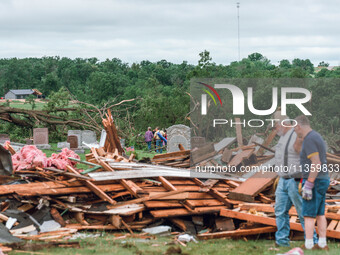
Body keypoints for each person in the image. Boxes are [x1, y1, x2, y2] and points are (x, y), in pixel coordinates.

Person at [273, 116, 317, 247]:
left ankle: (312, 242)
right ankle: (281, 242)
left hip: (296, 179)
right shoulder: (282, 138)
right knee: (280, 211)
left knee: (303, 211)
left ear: (285, 123)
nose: (275, 129)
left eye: (276, 125)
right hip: (283, 180)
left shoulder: (298, 134)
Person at [294, 115, 330, 250]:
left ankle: (309, 245)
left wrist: (309, 184)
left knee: (308, 214)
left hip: (314, 180)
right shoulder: (316, 136)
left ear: (298, 126)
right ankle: (322, 243)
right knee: (320, 213)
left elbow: (316, 162)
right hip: (322, 179)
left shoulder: (309, 139)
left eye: (294, 128)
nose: (294, 131)